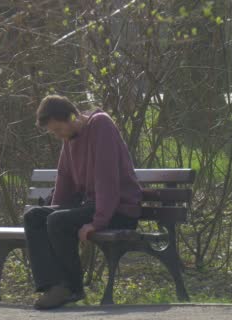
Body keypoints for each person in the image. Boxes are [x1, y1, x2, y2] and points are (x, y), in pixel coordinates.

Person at [24, 95, 143, 309]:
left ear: (71, 117)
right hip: (94, 206)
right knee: (34, 216)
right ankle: (54, 286)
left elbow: (107, 179)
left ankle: (72, 287)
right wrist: (52, 209)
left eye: (58, 129)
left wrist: (97, 222)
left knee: (58, 221)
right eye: (53, 132)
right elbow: (65, 178)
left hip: (119, 209)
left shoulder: (101, 126)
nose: (58, 135)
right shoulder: (70, 139)